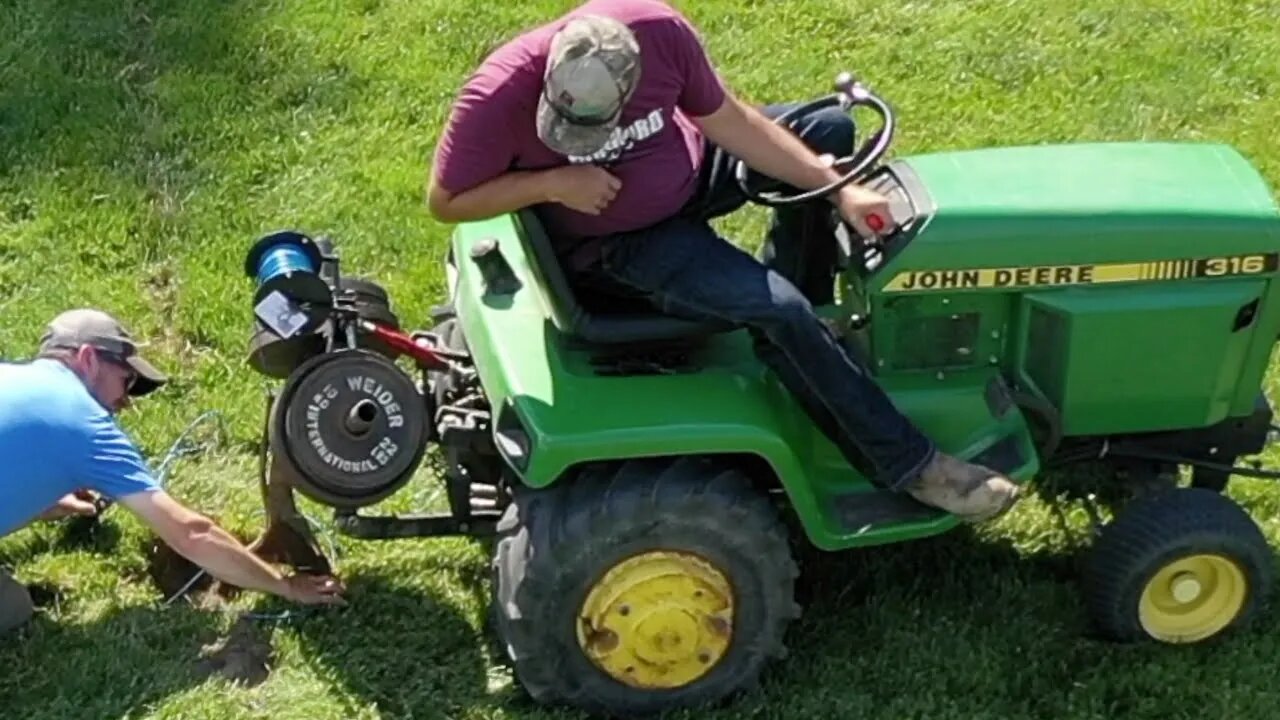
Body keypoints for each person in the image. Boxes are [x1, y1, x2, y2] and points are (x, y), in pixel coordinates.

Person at [426, 0, 1019, 521]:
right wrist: (555, 182)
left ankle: (807, 331)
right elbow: (446, 200)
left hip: (688, 170)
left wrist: (837, 186)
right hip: (624, 244)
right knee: (779, 312)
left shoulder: (659, 33)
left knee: (828, 128)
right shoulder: (497, 93)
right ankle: (912, 467)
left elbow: (731, 123)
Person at [0, 308, 345, 636]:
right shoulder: (86, 426)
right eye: (126, 379)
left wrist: (41, 498)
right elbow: (190, 534)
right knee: (13, 605)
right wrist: (285, 586)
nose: (126, 402)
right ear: (88, 358)